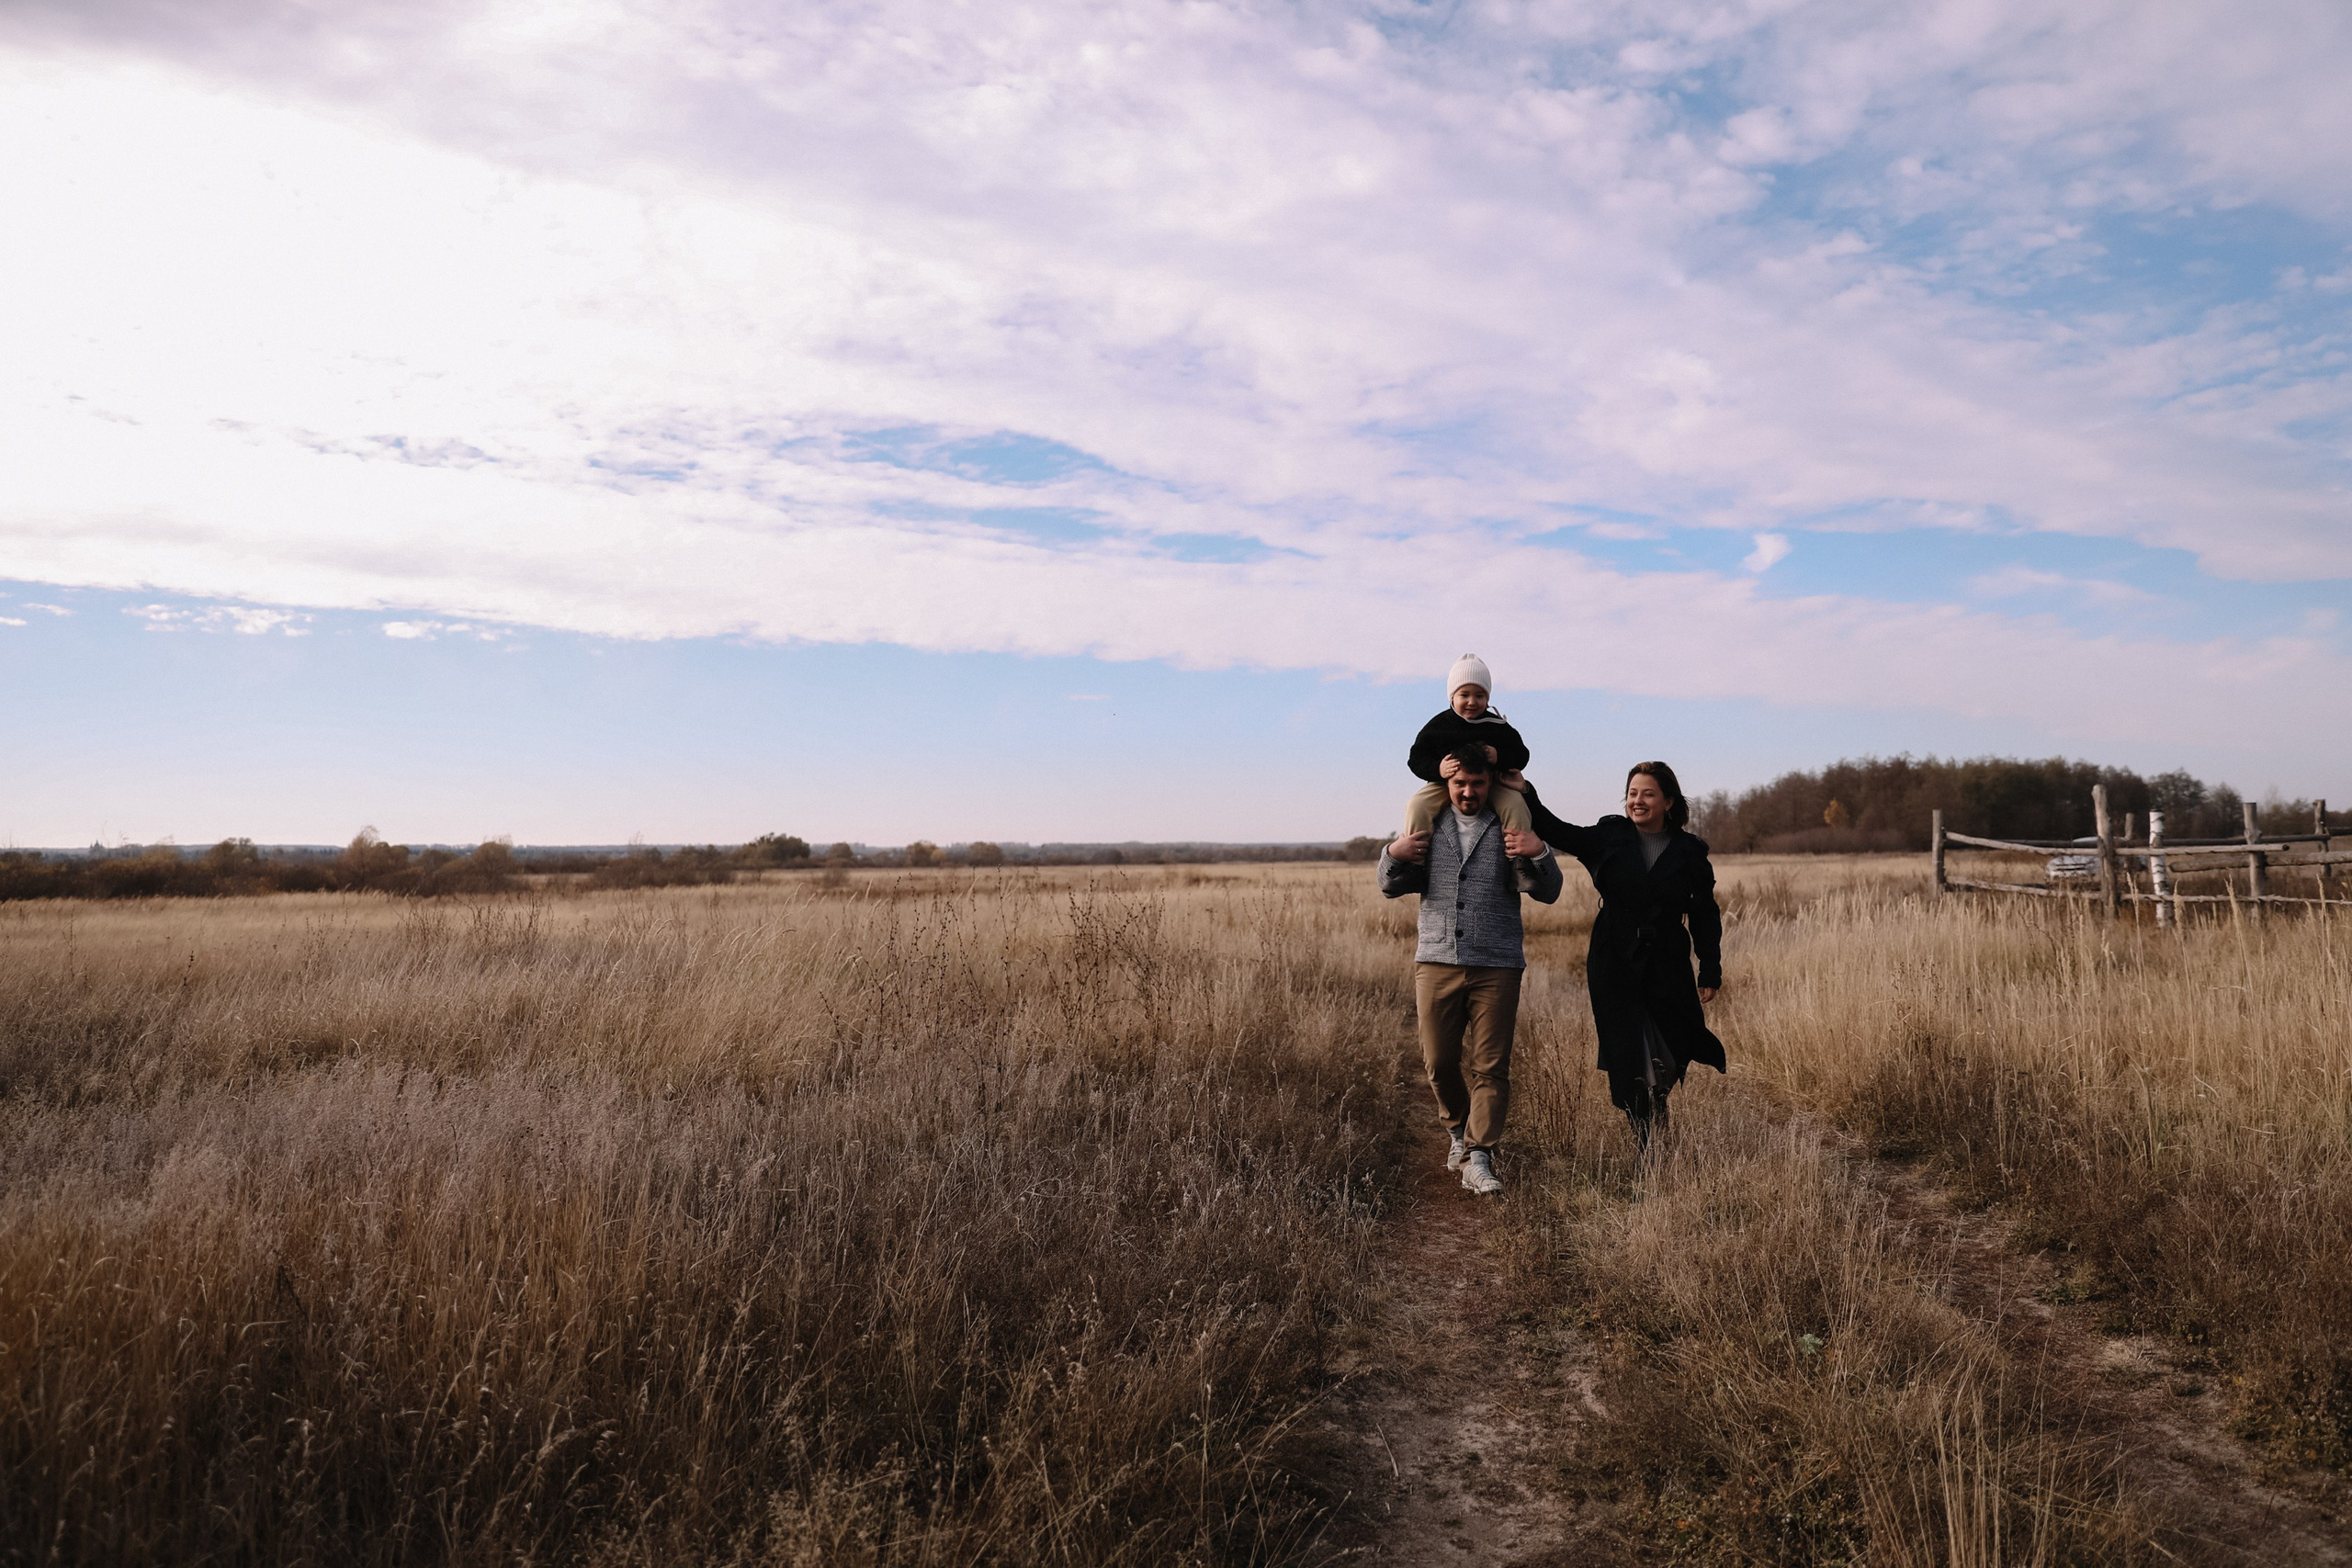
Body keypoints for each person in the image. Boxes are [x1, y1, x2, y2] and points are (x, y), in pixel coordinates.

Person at [1377, 744, 1563, 1194]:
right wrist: (1393, 852)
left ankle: (1480, 1156)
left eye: (1477, 784)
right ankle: (1459, 1132)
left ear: (1489, 783)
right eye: (1460, 783)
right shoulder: (1427, 820)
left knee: (1491, 1066)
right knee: (1439, 1062)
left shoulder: (1511, 821)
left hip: (1498, 961)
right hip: (1436, 958)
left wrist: (1540, 851)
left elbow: (1550, 891)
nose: (1468, 792)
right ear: (1448, 782)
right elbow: (1388, 885)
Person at [1510, 761, 1724, 1151]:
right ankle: (1646, 1139)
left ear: (1668, 802)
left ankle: (1658, 1100)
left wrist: (1710, 968)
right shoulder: (1610, 836)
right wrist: (1526, 791)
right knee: (1628, 1049)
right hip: (1614, 958)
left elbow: (1705, 913)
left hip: (1668, 961)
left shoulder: (1690, 851)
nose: (1637, 801)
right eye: (1632, 793)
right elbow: (1558, 830)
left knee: (1672, 1042)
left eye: (1648, 794)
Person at [1403, 655, 1533, 838]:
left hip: (1491, 784)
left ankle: (1520, 852)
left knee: (1516, 804)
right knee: (1417, 805)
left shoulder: (1497, 726)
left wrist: (1499, 757)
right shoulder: (1439, 725)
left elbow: (1521, 755)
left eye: (1479, 695)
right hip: (1443, 784)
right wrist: (1438, 768)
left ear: (1487, 698)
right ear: (1452, 697)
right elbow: (1416, 758)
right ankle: (1414, 852)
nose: (1472, 701)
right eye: (1464, 695)